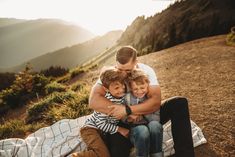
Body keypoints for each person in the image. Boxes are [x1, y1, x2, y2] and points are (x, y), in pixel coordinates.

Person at [89, 46, 195, 157]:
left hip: (147, 115)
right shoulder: (110, 74)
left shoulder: (146, 70)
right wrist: (123, 113)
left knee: (179, 103)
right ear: (116, 64)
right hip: (121, 121)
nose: (124, 74)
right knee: (117, 152)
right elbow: (93, 101)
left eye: (128, 70)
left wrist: (128, 110)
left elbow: (155, 101)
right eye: (120, 69)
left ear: (136, 62)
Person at [72, 68, 129, 157]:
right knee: (103, 155)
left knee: (106, 150)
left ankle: (91, 151)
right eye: (117, 87)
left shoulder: (122, 96)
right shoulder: (107, 101)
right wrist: (119, 129)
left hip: (103, 132)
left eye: (122, 85)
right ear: (106, 89)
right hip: (91, 130)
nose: (122, 89)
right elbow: (100, 123)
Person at [126, 69, 163, 157]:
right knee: (142, 130)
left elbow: (156, 118)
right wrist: (129, 117)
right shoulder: (127, 98)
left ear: (147, 85)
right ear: (131, 88)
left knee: (155, 125)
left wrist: (141, 112)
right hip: (136, 131)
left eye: (142, 88)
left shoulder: (151, 99)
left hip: (151, 126)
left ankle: (156, 154)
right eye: (135, 89)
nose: (139, 91)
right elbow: (123, 117)